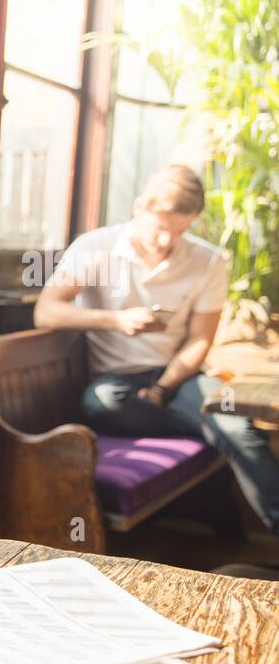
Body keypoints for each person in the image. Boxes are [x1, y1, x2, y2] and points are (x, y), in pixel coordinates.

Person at [34, 163, 279, 537]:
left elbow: (199, 340)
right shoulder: (96, 247)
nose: (167, 241)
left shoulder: (208, 260)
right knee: (100, 402)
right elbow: (45, 311)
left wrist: (165, 387)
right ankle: (206, 428)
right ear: (139, 209)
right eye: (161, 228)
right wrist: (115, 321)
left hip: (180, 379)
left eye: (180, 231)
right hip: (118, 386)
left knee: (239, 428)